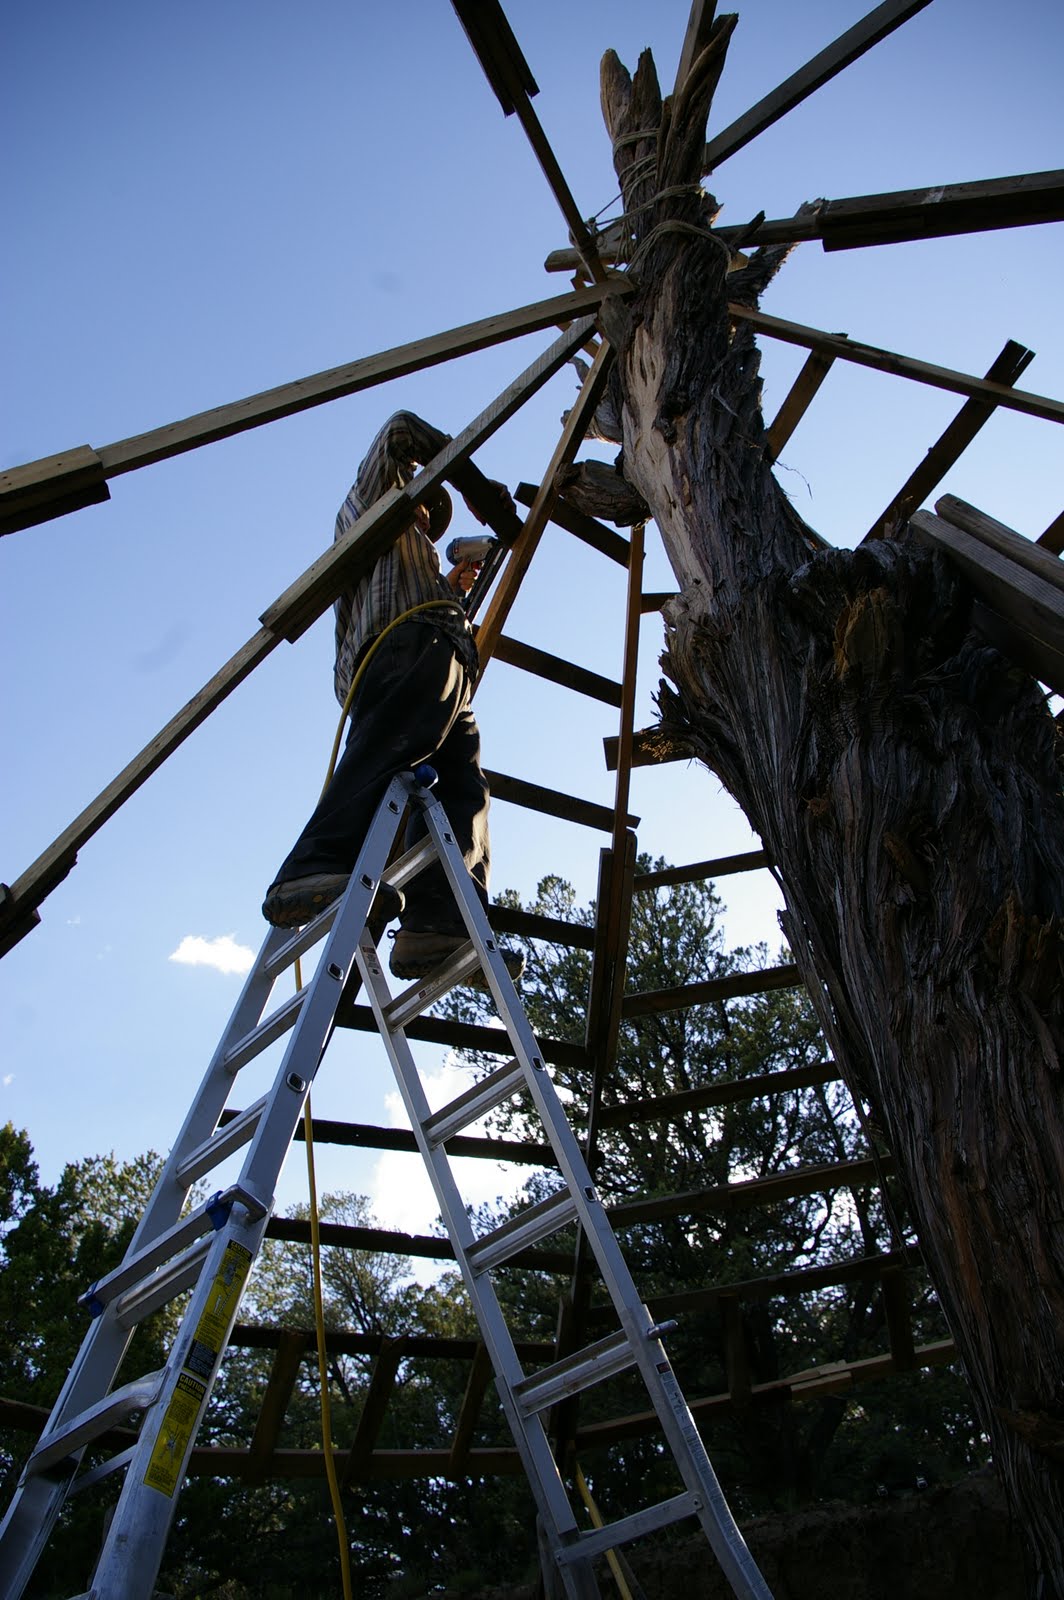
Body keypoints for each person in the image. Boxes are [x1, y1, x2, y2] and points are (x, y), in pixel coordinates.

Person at [262, 411, 524, 983]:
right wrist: (476, 488)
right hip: (405, 647)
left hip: (439, 654)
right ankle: (315, 865)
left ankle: (439, 922)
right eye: (431, 506)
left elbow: (420, 593)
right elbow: (400, 427)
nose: (430, 521)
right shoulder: (375, 501)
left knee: (464, 790)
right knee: (392, 749)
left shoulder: (420, 564)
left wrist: (453, 593)